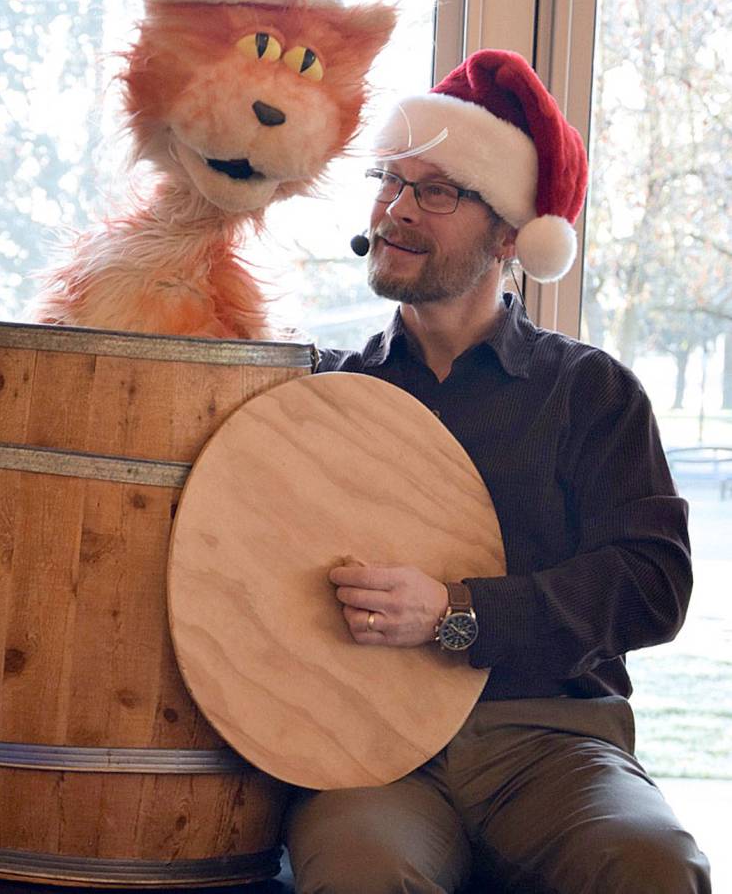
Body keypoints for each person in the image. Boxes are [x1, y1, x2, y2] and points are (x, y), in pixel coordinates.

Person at [285, 49, 712, 893]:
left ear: (512, 235)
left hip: (550, 742)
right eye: (388, 180)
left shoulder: (589, 391)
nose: (397, 209)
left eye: (436, 190)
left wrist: (457, 613)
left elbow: (653, 583)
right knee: (358, 872)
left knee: (652, 865)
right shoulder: (324, 394)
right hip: (371, 748)